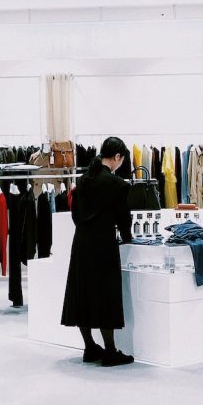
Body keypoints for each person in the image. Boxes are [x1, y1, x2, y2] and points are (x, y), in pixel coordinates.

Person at [61, 137, 135, 366]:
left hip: (82, 243)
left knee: (82, 293)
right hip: (103, 245)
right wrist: (128, 238)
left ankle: (90, 347)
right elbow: (124, 220)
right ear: (117, 157)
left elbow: (75, 214)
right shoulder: (117, 184)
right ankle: (110, 351)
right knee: (106, 296)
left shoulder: (83, 180)